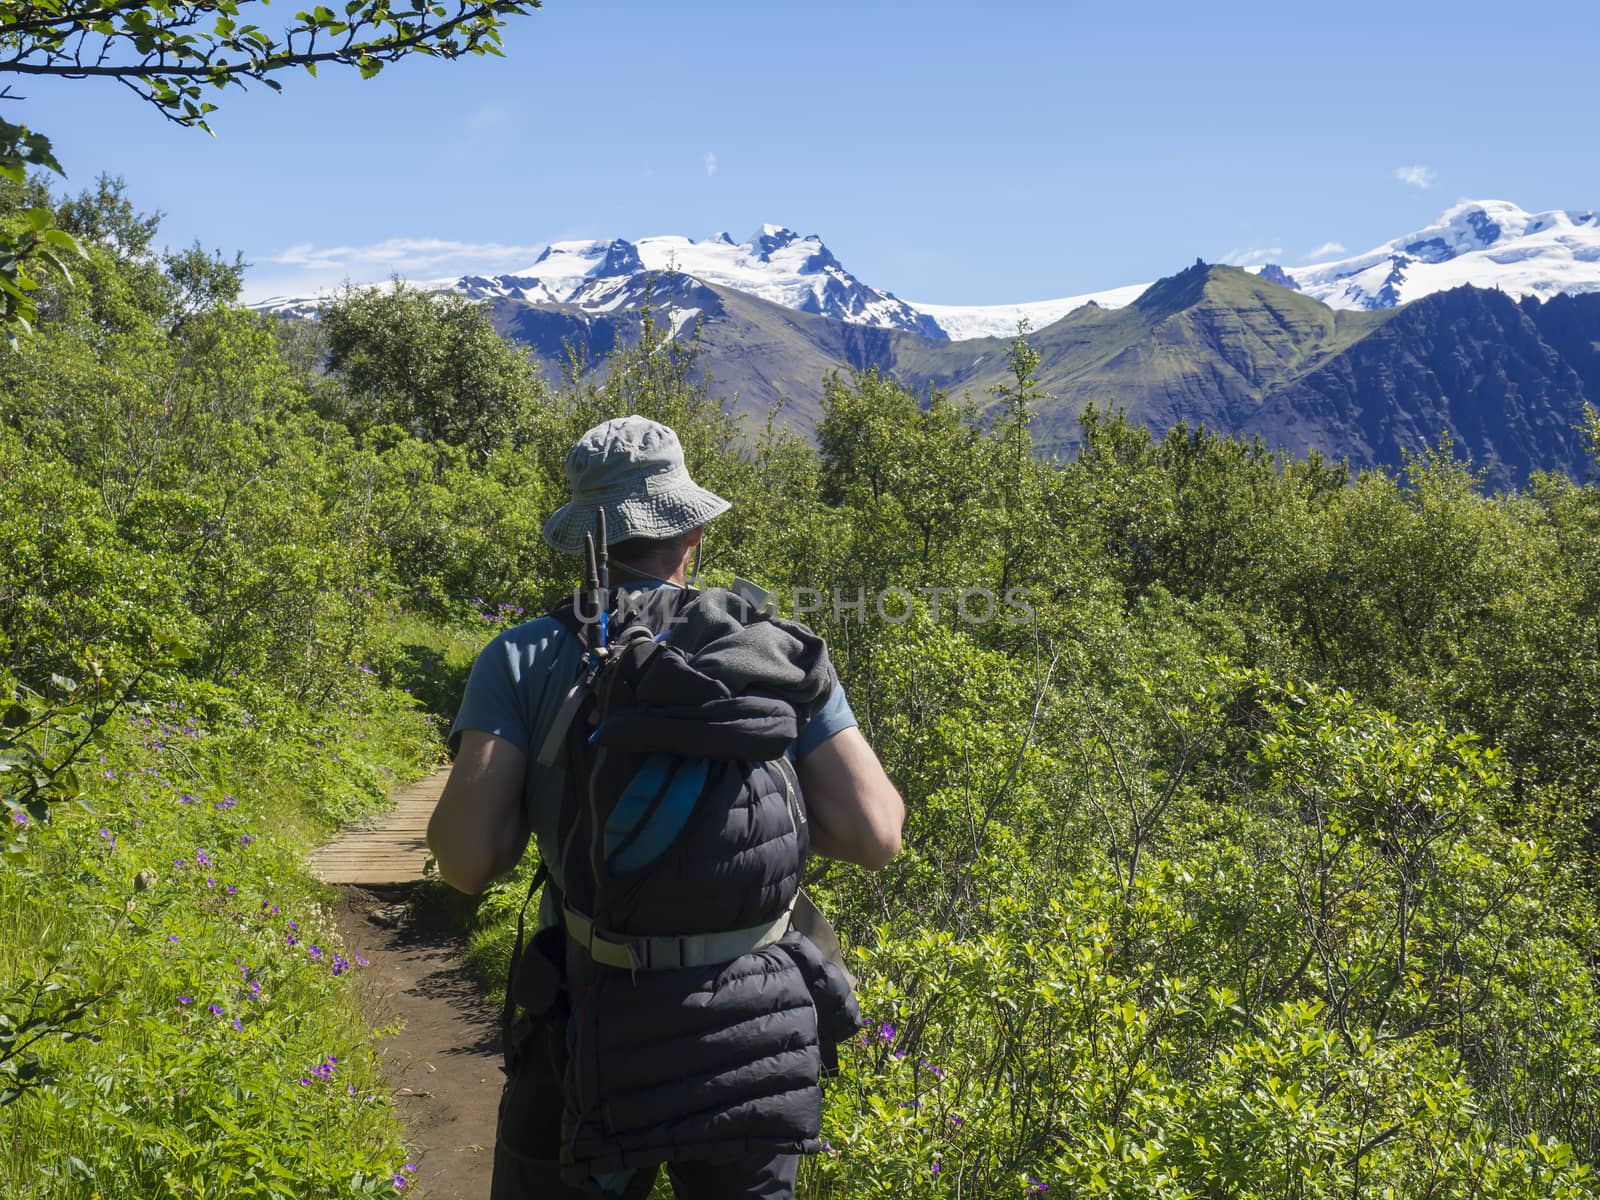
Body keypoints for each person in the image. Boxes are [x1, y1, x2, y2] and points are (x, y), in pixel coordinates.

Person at [427, 415, 904, 1199]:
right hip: (755, 1031)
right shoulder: (774, 649)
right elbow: (877, 833)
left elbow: (469, 863)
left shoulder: (521, 656)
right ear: (692, 537)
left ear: (586, 537)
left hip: (590, 1015)